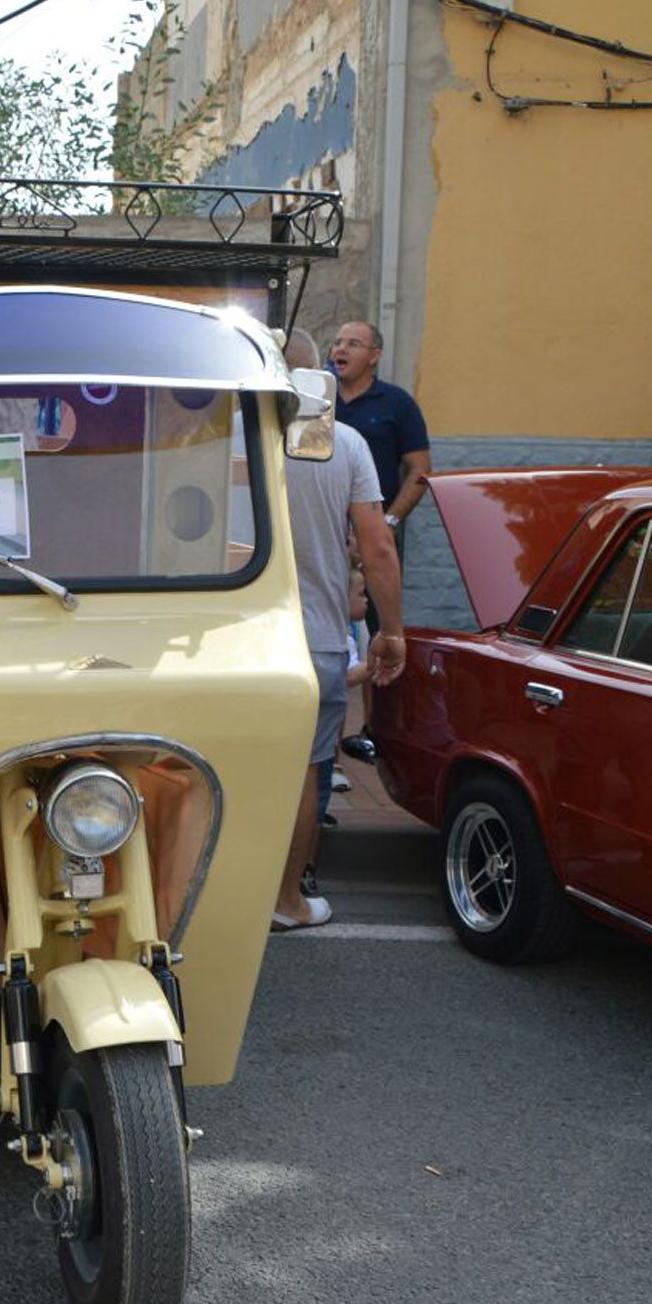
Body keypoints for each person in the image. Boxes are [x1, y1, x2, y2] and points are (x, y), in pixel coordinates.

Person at [273, 330, 407, 931]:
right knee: (305, 771)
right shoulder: (344, 443)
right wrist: (392, 630)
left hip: (231, 638)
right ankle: (285, 901)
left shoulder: (224, 431)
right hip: (316, 636)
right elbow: (376, 546)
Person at [329, 318, 431, 631]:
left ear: (375, 356)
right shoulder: (318, 400)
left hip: (372, 529)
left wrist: (388, 522)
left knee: (374, 629)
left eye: (352, 344)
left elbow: (420, 468)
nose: (340, 349)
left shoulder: (397, 403)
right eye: (337, 342)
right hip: (325, 529)